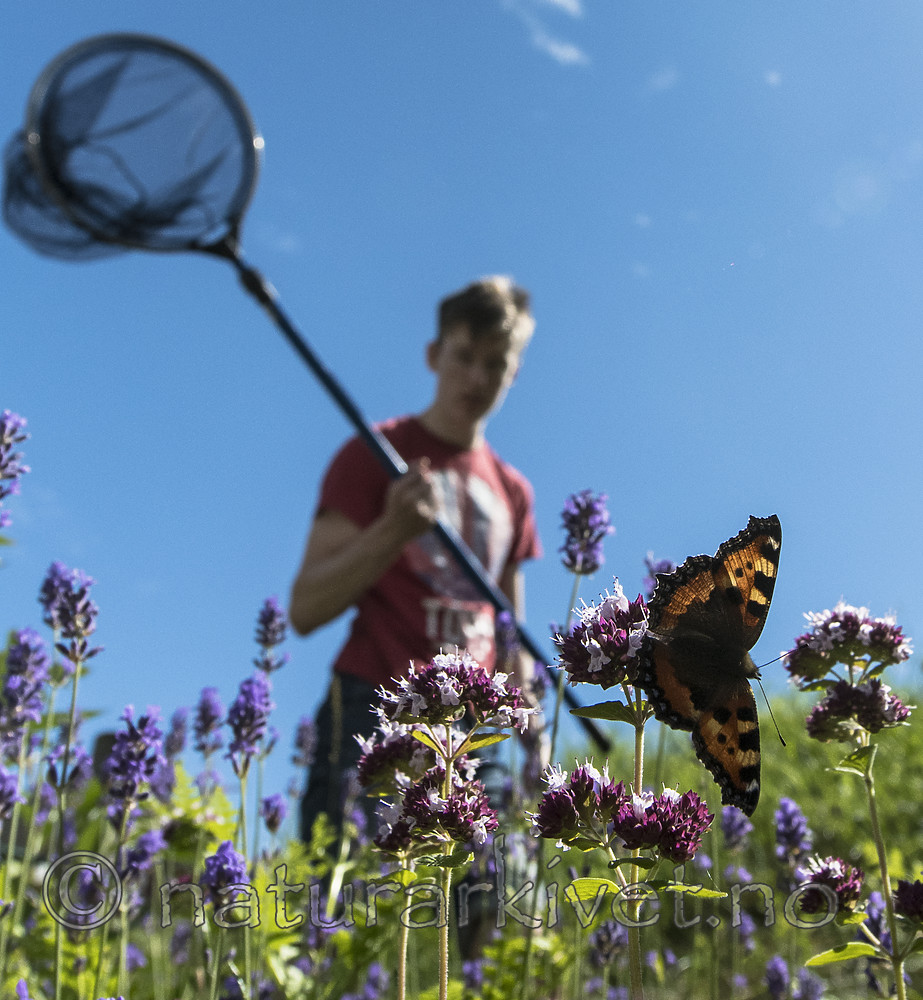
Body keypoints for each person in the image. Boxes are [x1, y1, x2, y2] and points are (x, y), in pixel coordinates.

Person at [288, 276, 542, 842]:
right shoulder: (371, 453)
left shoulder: (514, 492)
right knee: (346, 903)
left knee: (482, 911)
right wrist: (393, 530)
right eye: (464, 356)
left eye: (496, 364)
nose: (477, 379)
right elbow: (304, 608)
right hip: (376, 705)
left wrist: (530, 722)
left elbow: (509, 628)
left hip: (478, 729)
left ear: (515, 372)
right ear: (434, 354)